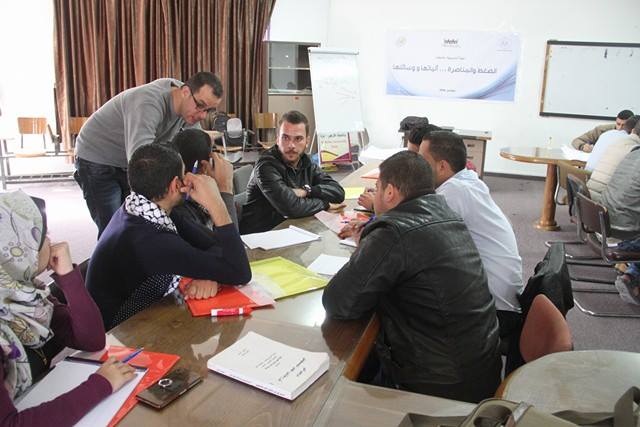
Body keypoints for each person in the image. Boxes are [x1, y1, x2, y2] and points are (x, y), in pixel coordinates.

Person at [323, 151, 501, 403]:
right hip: (478, 371)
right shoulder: (447, 215)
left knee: (335, 385)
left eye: (377, 187)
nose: (375, 193)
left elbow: (339, 302)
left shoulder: (394, 232)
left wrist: (369, 246)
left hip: (438, 389)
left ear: (389, 192)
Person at [0, 191, 135, 426]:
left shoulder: (25, 296)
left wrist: (68, 276)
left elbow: (91, 340)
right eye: (41, 235)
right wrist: (99, 385)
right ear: (19, 251)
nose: (51, 240)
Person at [87, 144, 251, 329]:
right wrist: (216, 204)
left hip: (150, 312)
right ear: (175, 185)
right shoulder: (150, 240)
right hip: (122, 333)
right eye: (184, 174)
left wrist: (211, 272)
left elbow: (217, 246)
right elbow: (240, 272)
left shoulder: (144, 208)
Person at [418, 130, 524, 372]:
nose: (417, 167)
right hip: (501, 300)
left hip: (494, 311)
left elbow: (416, 238)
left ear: (442, 166)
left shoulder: (453, 192)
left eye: (422, 161)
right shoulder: (467, 181)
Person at [75, 72, 223, 237]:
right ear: (185, 92)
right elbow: (142, 164)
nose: (202, 115)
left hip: (126, 159)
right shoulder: (147, 102)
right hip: (96, 157)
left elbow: (195, 146)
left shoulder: (188, 108)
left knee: (134, 223)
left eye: (208, 110)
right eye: (200, 106)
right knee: (113, 226)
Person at [239, 110, 346, 234]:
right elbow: (292, 208)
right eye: (285, 138)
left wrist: (307, 191)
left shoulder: (306, 161)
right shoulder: (266, 166)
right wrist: (325, 204)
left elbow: (338, 192)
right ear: (277, 139)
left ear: (307, 141)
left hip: (293, 229)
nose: (291, 145)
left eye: (298, 139)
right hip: (262, 235)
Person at [168, 129, 238, 230]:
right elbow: (231, 238)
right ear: (205, 166)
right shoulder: (185, 212)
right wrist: (225, 188)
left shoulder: (171, 197)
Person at [598, 146, 640, 304]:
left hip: (604, 220)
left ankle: (631, 275)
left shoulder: (634, 152)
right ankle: (631, 272)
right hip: (625, 228)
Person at [587, 118, 640, 202]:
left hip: (588, 195)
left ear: (633, 131)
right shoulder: (634, 151)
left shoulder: (616, 141)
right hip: (605, 201)